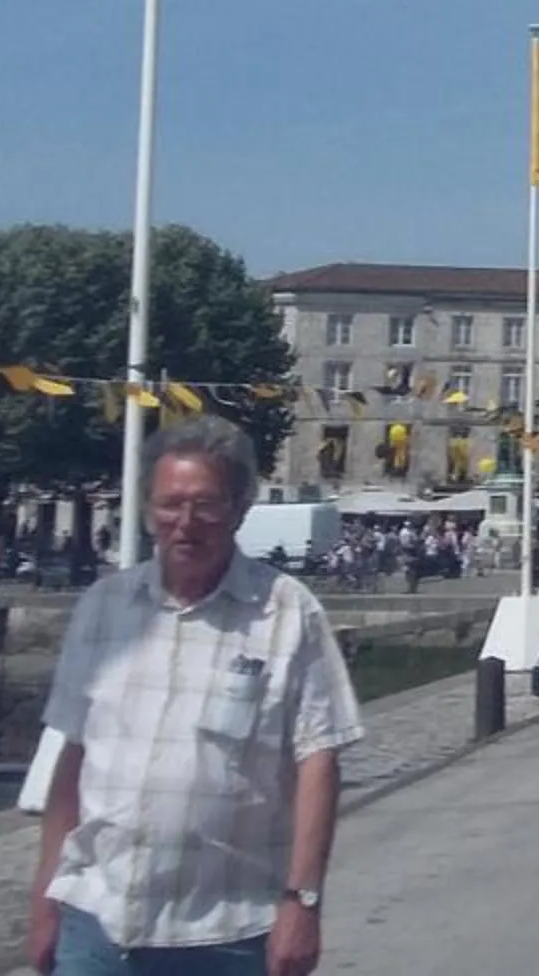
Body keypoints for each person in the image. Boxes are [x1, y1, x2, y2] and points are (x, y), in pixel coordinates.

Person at [26, 417, 364, 976]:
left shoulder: (288, 613)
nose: (185, 524)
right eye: (169, 505)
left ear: (239, 509)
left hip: (225, 933)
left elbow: (319, 761)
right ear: (148, 510)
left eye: (205, 505)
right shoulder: (102, 608)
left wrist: (303, 903)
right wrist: (44, 898)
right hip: (96, 922)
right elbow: (72, 759)